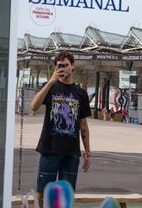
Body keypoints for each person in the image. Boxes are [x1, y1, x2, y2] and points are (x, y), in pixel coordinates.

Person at [30, 51, 91, 207]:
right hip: (50, 149)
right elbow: (34, 106)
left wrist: (87, 152)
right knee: (42, 192)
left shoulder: (81, 93)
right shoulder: (50, 87)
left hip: (71, 153)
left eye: (65, 65)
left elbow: (83, 125)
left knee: (67, 194)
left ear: (73, 68)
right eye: (59, 65)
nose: (62, 68)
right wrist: (50, 82)